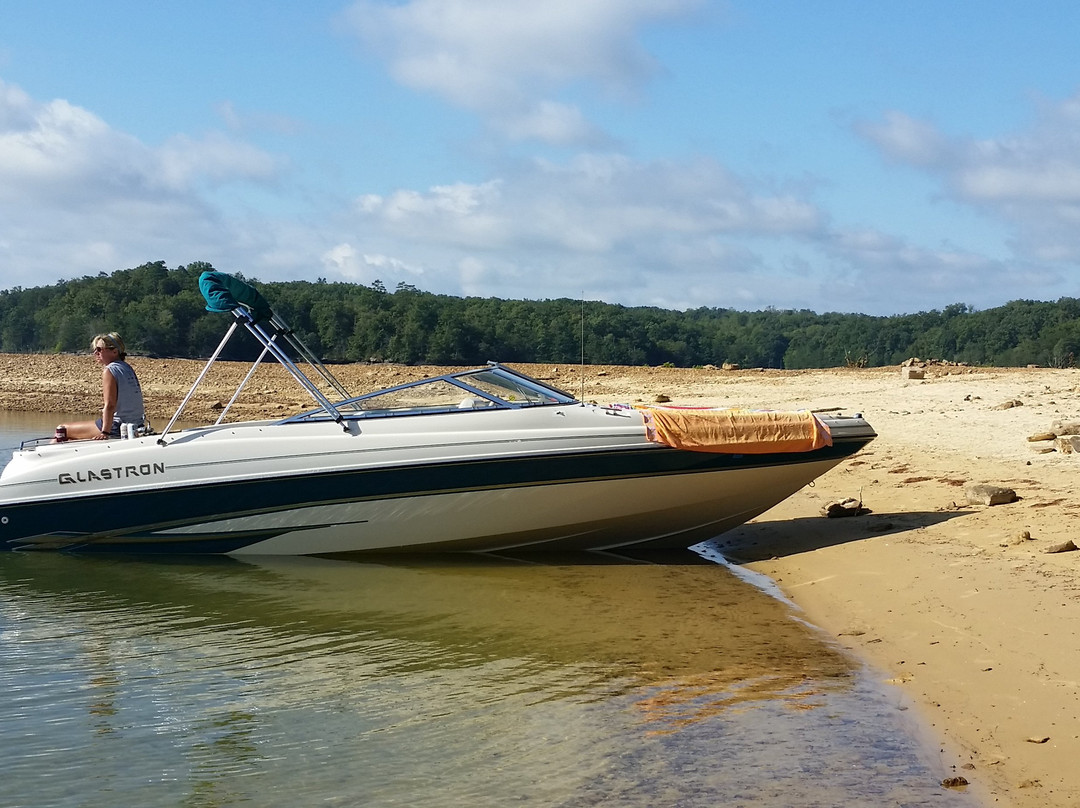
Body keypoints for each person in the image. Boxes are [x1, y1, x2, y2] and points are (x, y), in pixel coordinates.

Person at [57, 332, 146, 440]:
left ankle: (46, 455)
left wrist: (105, 432)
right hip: (137, 425)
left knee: (63, 429)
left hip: (117, 426)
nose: (95, 353)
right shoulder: (127, 368)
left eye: (99, 349)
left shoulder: (109, 370)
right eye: (95, 349)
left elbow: (110, 405)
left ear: (114, 351)